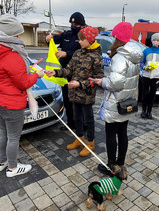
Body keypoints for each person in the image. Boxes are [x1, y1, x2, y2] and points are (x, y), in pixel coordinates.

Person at [0, 14, 44, 177]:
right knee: (13, 137)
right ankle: (13, 168)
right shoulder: (11, 55)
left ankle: (2, 162)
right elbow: (23, 83)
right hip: (12, 103)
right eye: (17, 34)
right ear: (10, 35)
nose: (20, 36)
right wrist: (38, 75)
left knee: (3, 133)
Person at [92, 22, 143, 174]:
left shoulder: (120, 57)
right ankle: (120, 164)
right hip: (127, 101)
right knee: (122, 133)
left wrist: (102, 82)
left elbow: (116, 83)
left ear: (117, 37)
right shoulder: (133, 56)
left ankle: (111, 166)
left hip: (116, 102)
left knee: (111, 134)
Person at [45, 26, 103, 157]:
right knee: (76, 118)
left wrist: (80, 84)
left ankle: (90, 143)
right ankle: (80, 139)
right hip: (74, 93)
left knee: (88, 120)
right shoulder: (77, 53)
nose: (79, 42)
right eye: (79, 39)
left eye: (82, 40)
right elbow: (69, 70)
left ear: (89, 39)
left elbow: (98, 80)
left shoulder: (96, 57)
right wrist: (55, 72)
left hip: (86, 96)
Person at [45, 12, 86, 130]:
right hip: (64, 74)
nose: (73, 25)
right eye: (72, 23)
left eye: (76, 24)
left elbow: (84, 54)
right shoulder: (66, 35)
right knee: (67, 99)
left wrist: (66, 53)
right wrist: (48, 39)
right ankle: (70, 123)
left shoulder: (84, 37)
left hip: (78, 74)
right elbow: (53, 40)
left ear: (82, 25)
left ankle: (82, 125)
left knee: (78, 101)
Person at [140, 33, 159, 119]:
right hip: (146, 75)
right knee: (145, 93)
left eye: (157, 40)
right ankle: (143, 111)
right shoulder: (146, 51)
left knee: (152, 94)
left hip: (156, 76)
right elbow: (141, 62)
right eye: (154, 40)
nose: (156, 42)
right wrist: (144, 67)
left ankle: (149, 111)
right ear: (152, 41)